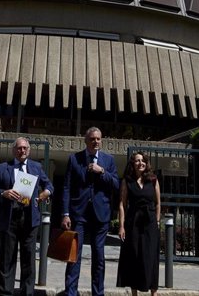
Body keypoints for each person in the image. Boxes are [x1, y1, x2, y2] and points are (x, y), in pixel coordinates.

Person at [0, 137, 54, 296]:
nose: (22, 151)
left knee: (29, 259)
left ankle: (28, 293)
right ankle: (6, 292)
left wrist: (45, 194)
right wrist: (3, 193)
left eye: (25, 148)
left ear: (29, 150)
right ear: (13, 150)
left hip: (30, 219)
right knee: (7, 258)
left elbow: (49, 185)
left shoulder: (36, 167)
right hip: (9, 218)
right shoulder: (3, 167)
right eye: (19, 148)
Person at [61, 127, 119, 296]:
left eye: (98, 139)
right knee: (74, 256)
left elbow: (116, 184)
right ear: (86, 141)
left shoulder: (108, 160)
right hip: (78, 214)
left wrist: (102, 171)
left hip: (101, 215)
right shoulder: (74, 159)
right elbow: (66, 187)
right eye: (92, 139)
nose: (96, 142)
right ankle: (71, 292)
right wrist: (65, 213)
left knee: (99, 257)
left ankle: (98, 293)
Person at [116, 152, 161, 296]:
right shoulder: (127, 181)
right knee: (134, 256)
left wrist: (158, 220)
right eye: (137, 161)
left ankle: (153, 293)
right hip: (133, 223)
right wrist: (121, 226)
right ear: (132, 164)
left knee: (151, 257)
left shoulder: (153, 180)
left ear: (146, 163)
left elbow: (158, 203)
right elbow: (122, 204)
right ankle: (134, 293)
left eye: (143, 160)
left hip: (150, 223)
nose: (140, 163)